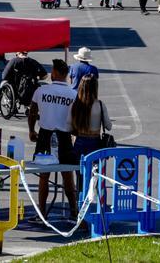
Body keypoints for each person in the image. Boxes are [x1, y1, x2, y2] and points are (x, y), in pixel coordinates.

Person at [27, 59, 78, 220]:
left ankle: (42, 212)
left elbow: (33, 112)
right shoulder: (73, 94)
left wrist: (31, 130)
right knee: (67, 175)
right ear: (67, 74)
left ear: (54, 73)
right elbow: (76, 118)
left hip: (45, 135)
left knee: (44, 175)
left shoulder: (41, 91)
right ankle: (73, 210)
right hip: (64, 137)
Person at [70, 74, 112, 158]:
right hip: (95, 142)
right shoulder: (100, 105)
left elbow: (69, 125)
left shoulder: (75, 105)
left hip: (79, 140)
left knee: (79, 167)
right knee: (94, 169)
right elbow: (108, 126)